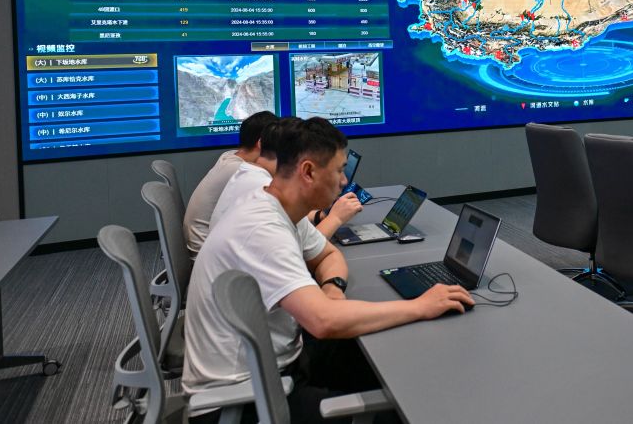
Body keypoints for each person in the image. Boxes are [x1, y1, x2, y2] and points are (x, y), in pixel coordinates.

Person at [182, 117, 473, 423]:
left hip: (276, 363)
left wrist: (332, 290)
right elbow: (322, 322)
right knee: (401, 411)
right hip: (242, 401)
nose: (344, 181)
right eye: (338, 171)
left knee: (392, 365)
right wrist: (420, 306)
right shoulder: (263, 230)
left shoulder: (277, 206)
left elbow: (328, 255)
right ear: (308, 172)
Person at [210, 116, 362, 239]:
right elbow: (306, 253)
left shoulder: (251, 174)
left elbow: (316, 247)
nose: (344, 181)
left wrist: (321, 216)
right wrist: (335, 218)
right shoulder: (264, 189)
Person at [183, 111, 278, 258]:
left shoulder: (230, 156)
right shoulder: (241, 171)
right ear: (261, 143)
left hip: (204, 244)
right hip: (206, 253)